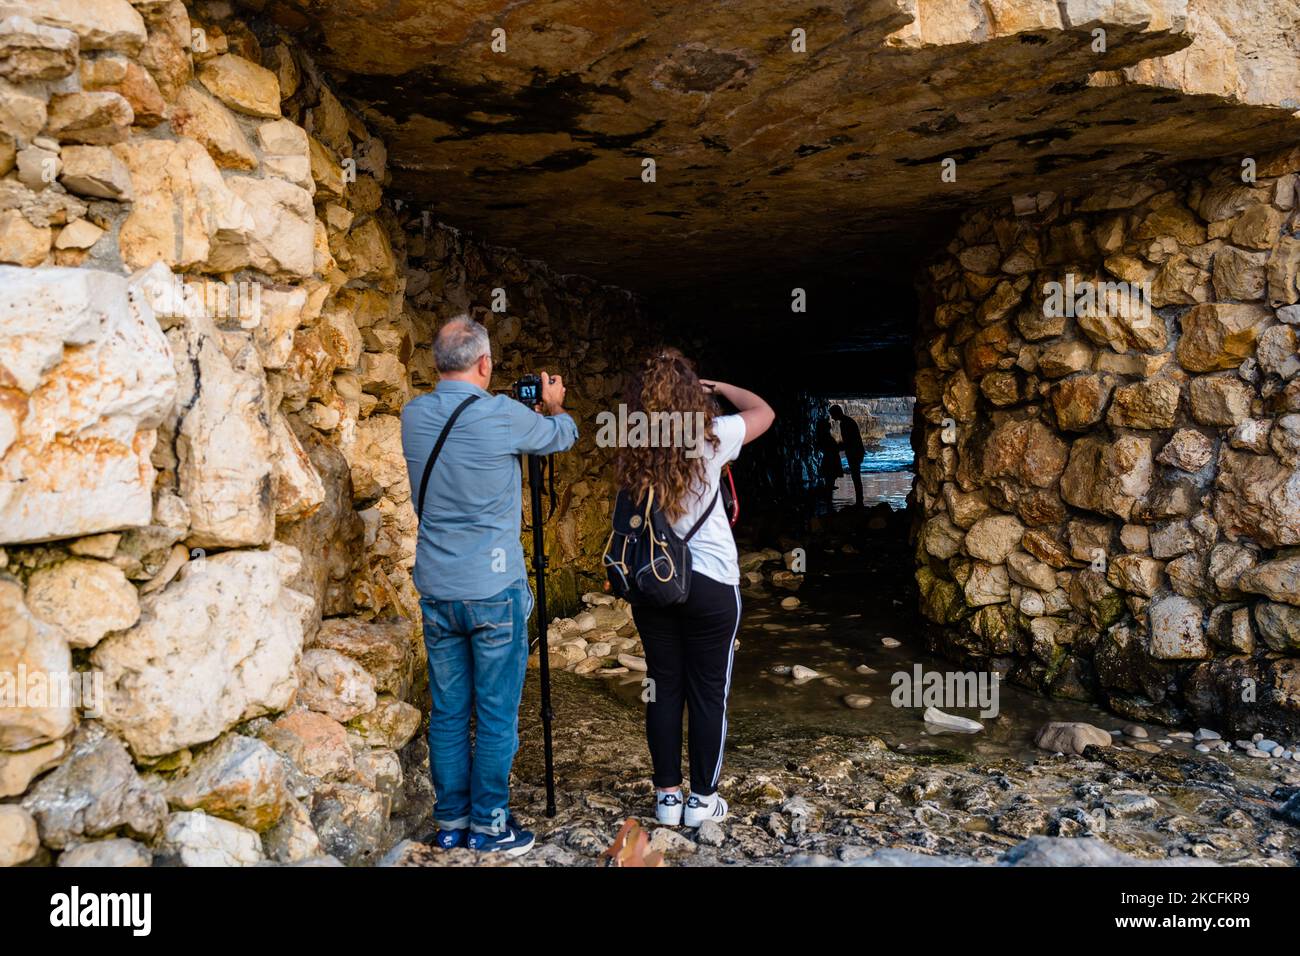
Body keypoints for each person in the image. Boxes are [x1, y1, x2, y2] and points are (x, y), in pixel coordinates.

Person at [400, 315, 577, 857]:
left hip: (437, 585)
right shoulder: (503, 415)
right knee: (497, 712)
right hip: (493, 588)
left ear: (437, 363)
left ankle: (450, 821)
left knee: (450, 711)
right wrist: (553, 403)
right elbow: (562, 437)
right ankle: (490, 825)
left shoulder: (412, 414)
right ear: (484, 364)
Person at [614, 348, 775, 828]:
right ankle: (702, 800)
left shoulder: (632, 444)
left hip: (653, 582)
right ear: (690, 395)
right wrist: (720, 388)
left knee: (662, 689)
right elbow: (764, 412)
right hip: (710, 582)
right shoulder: (713, 437)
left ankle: (666, 799)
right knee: (709, 693)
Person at [829, 403, 864, 507]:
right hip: (857, 451)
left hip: (854, 452)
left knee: (856, 476)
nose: (831, 417)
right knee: (856, 476)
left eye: (832, 414)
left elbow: (849, 441)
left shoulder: (845, 423)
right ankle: (859, 500)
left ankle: (859, 501)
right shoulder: (847, 421)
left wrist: (837, 447)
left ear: (836, 413)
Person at [814, 415, 843, 512]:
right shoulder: (826, 436)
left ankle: (829, 502)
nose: (830, 424)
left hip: (829, 459)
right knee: (830, 481)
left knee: (829, 481)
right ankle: (829, 503)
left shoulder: (823, 436)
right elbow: (832, 448)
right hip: (831, 460)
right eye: (828, 424)